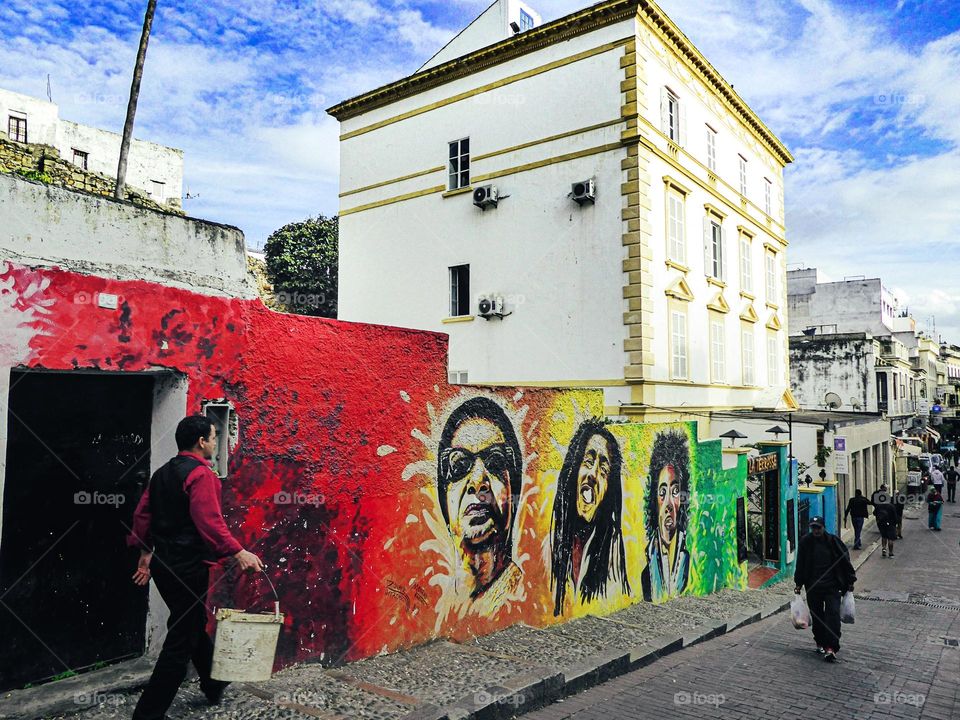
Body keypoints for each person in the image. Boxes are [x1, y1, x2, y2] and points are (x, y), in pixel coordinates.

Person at [127, 416, 263, 720]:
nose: (215, 443)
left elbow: (142, 515)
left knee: (191, 622)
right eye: (214, 438)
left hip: (164, 566)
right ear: (201, 441)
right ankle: (147, 714)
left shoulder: (161, 473)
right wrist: (239, 552)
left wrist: (146, 552)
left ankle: (213, 682)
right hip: (188, 568)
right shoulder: (201, 475)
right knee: (180, 639)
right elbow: (210, 522)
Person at [437, 397, 523, 611]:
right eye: (459, 465)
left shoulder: (520, 596)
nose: (478, 482)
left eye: (496, 462)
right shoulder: (445, 606)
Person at [550, 419, 630, 616]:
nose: (593, 474)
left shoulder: (611, 552)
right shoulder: (549, 543)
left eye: (604, 470)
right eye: (588, 462)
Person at [794, 516, 856, 663]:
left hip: (832, 586)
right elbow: (800, 563)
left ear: (823, 527)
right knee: (817, 617)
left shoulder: (833, 541)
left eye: (818, 528)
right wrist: (798, 583)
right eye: (813, 528)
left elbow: (845, 560)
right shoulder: (805, 542)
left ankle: (831, 647)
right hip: (813, 586)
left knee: (832, 615)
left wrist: (850, 580)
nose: (816, 530)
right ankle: (820, 641)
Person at [641, 430, 691, 602]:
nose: (668, 504)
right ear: (654, 501)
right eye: (662, 493)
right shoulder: (646, 571)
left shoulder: (686, 559)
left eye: (675, 491)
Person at [870, 486, 898, 558]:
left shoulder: (879, 506)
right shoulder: (891, 506)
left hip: (882, 524)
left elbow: (874, 513)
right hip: (891, 524)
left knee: (884, 537)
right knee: (890, 539)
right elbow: (895, 516)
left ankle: (884, 549)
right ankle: (891, 553)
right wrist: (895, 524)